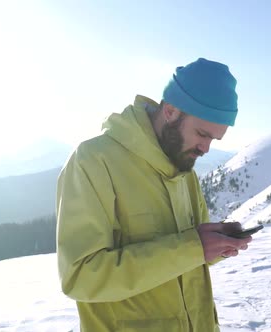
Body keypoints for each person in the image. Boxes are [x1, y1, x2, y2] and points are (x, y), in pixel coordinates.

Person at [56, 58, 253, 332]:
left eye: (214, 140)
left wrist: (216, 245)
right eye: (201, 134)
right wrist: (193, 248)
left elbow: (189, 257)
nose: (205, 149)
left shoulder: (185, 168)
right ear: (171, 111)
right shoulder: (94, 160)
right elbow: (80, 277)